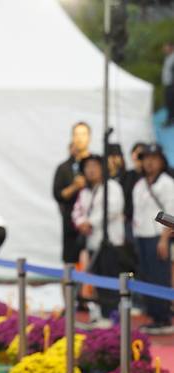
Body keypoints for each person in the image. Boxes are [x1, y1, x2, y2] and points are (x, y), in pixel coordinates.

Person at [72, 154, 125, 320]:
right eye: (87, 167)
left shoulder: (112, 187)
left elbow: (114, 208)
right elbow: (77, 211)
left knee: (111, 280)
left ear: (102, 168)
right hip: (93, 243)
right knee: (98, 280)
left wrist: (91, 223)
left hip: (111, 243)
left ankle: (112, 316)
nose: (91, 170)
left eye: (95, 165)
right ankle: (103, 314)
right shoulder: (86, 192)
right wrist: (82, 223)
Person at [133, 144, 174, 334]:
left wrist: (164, 239)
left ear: (161, 161)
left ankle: (163, 317)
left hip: (158, 237)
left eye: (153, 158)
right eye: (145, 158)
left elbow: (171, 213)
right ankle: (153, 316)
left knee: (160, 277)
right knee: (146, 276)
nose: (148, 162)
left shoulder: (166, 183)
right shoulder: (140, 184)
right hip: (141, 236)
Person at [52, 122, 92, 264]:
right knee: (70, 265)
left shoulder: (96, 164)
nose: (80, 138)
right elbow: (57, 194)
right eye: (77, 134)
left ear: (89, 137)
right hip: (71, 226)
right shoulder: (64, 168)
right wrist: (74, 187)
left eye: (84, 134)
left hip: (93, 226)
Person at [163, 41, 174, 127]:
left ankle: (170, 120)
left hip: (172, 84)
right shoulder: (168, 57)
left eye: (166, 47)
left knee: (170, 102)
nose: (164, 49)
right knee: (168, 102)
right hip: (167, 84)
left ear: (171, 47)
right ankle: (170, 118)